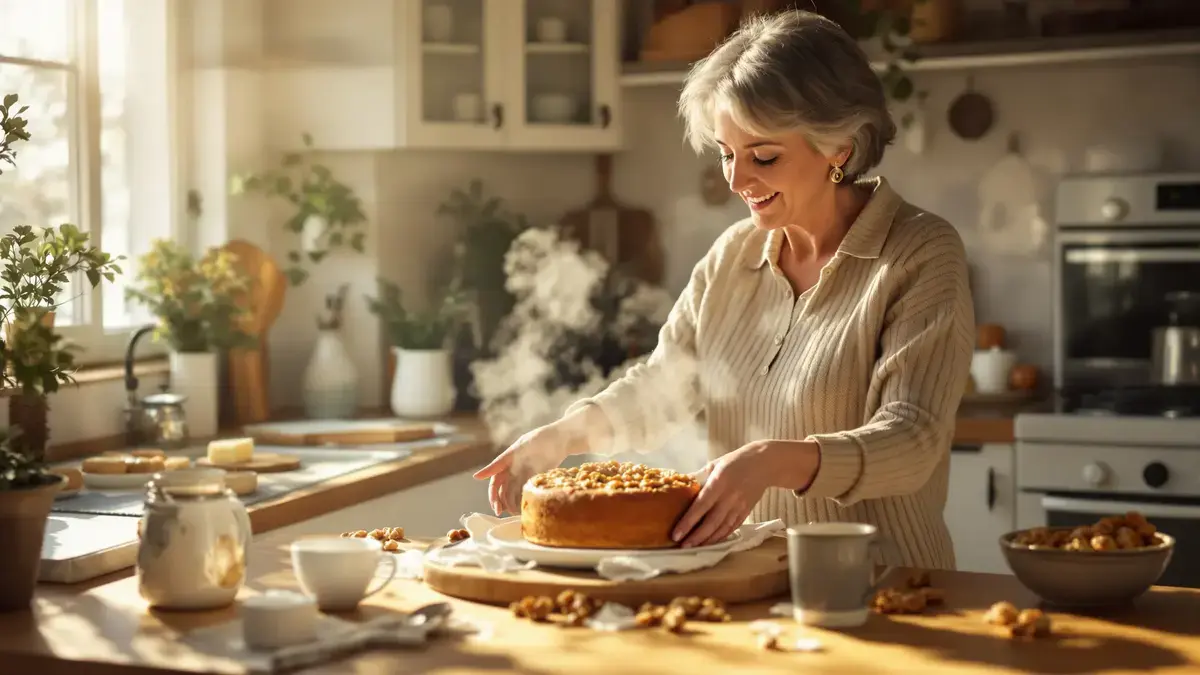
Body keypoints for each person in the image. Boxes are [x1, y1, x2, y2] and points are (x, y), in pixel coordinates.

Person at [474, 9, 974, 570]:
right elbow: (663, 384)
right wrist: (562, 435)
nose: (737, 180)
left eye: (763, 156)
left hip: (886, 587)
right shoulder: (733, 256)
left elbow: (912, 441)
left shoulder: (918, 252)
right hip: (748, 586)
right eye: (726, 154)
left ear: (838, 146)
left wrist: (770, 461)